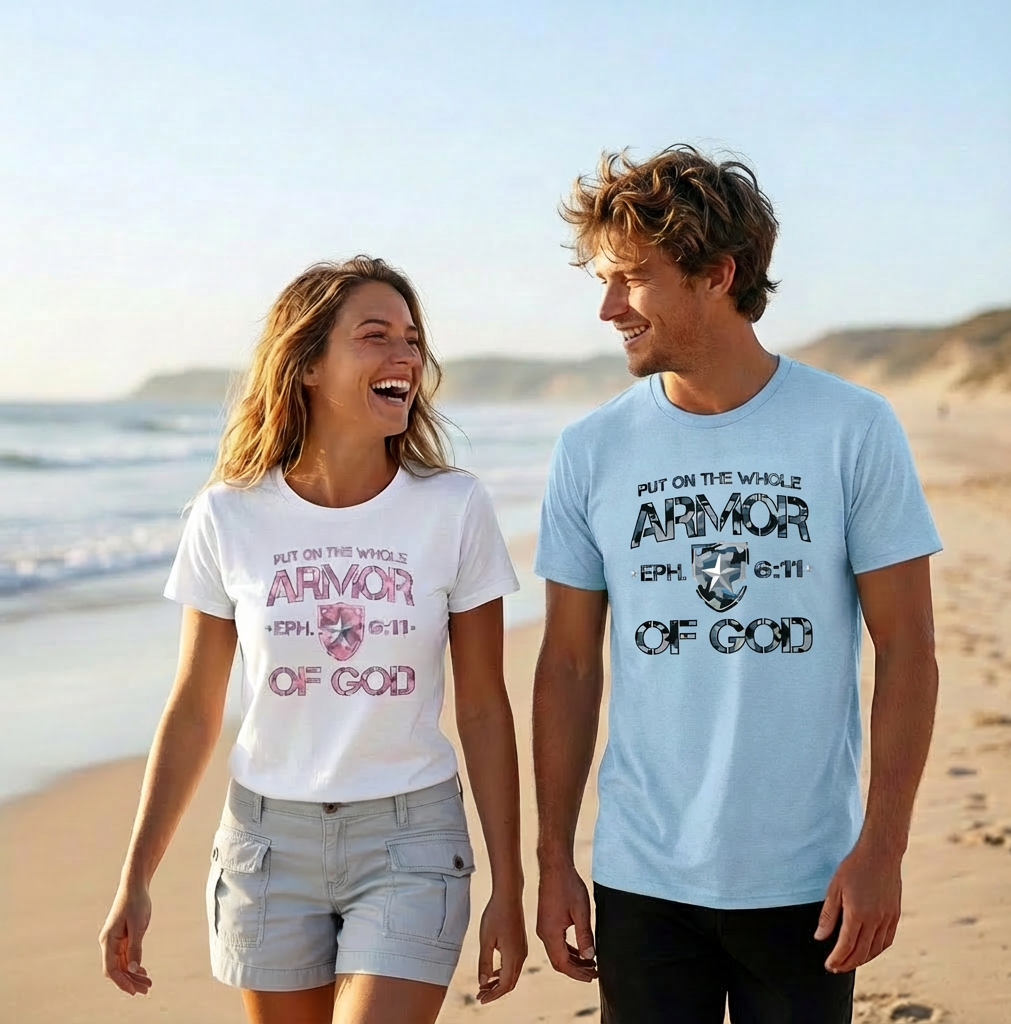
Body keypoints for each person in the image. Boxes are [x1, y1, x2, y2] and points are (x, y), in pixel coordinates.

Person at [532, 146, 941, 1024]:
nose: (607, 309)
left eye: (632, 280)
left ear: (717, 274)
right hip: (641, 877)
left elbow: (907, 649)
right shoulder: (591, 450)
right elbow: (567, 666)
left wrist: (883, 848)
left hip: (808, 875)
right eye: (603, 282)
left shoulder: (851, 428)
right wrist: (553, 858)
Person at [100, 257, 527, 1024]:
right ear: (307, 365)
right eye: (375, 336)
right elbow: (195, 707)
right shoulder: (228, 514)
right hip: (267, 846)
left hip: (411, 842)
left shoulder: (453, 507)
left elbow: (485, 708)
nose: (406, 356)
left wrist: (512, 883)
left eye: (412, 338)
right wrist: (136, 875)